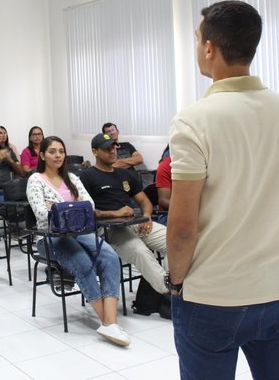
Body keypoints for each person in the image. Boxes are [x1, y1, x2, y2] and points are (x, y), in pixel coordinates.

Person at [166, 0, 279, 379]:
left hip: (214, 295)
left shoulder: (194, 120)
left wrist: (176, 281)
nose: (198, 47)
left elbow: (182, 227)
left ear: (210, 48)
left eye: (198, 39)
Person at [25, 136, 128, 346]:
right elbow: (42, 215)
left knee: (109, 256)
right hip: (50, 237)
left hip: (80, 233)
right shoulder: (35, 180)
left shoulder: (72, 177)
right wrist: (73, 207)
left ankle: (111, 323)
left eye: (61, 151)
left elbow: (89, 206)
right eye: (52, 151)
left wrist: (57, 207)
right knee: (82, 261)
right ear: (43, 155)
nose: (58, 155)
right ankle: (107, 321)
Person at [79, 133, 171, 318]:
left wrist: (146, 216)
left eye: (114, 147)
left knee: (174, 241)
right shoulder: (87, 177)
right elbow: (85, 211)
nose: (113, 151)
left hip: (136, 223)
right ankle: (171, 293)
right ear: (94, 151)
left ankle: (168, 288)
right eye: (107, 148)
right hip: (110, 230)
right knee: (139, 251)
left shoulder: (125, 174)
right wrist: (115, 213)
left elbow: (144, 202)